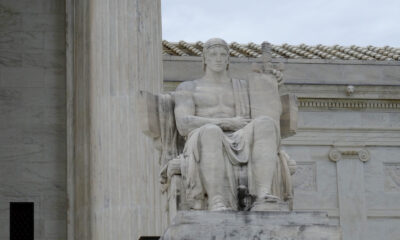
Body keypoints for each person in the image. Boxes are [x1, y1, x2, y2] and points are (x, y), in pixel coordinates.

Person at [174, 38, 288, 211]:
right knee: (212, 131)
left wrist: (271, 84)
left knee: (266, 123)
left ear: (228, 59)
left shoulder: (243, 87)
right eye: (213, 54)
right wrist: (226, 122)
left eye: (222, 54)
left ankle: (263, 195)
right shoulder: (189, 87)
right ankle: (216, 200)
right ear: (204, 59)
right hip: (203, 137)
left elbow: (267, 108)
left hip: (240, 135)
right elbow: (184, 123)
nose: (218, 58)